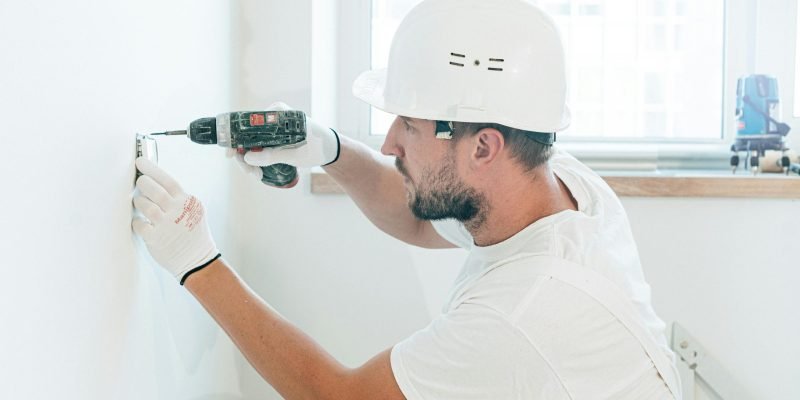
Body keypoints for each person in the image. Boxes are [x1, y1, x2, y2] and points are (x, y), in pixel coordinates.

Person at [132, 0, 682, 398]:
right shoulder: (553, 186)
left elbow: (334, 396)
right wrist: (330, 150)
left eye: (410, 126)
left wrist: (195, 262)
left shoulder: (524, 313)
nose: (390, 141)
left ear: (483, 147)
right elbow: (419, 218)